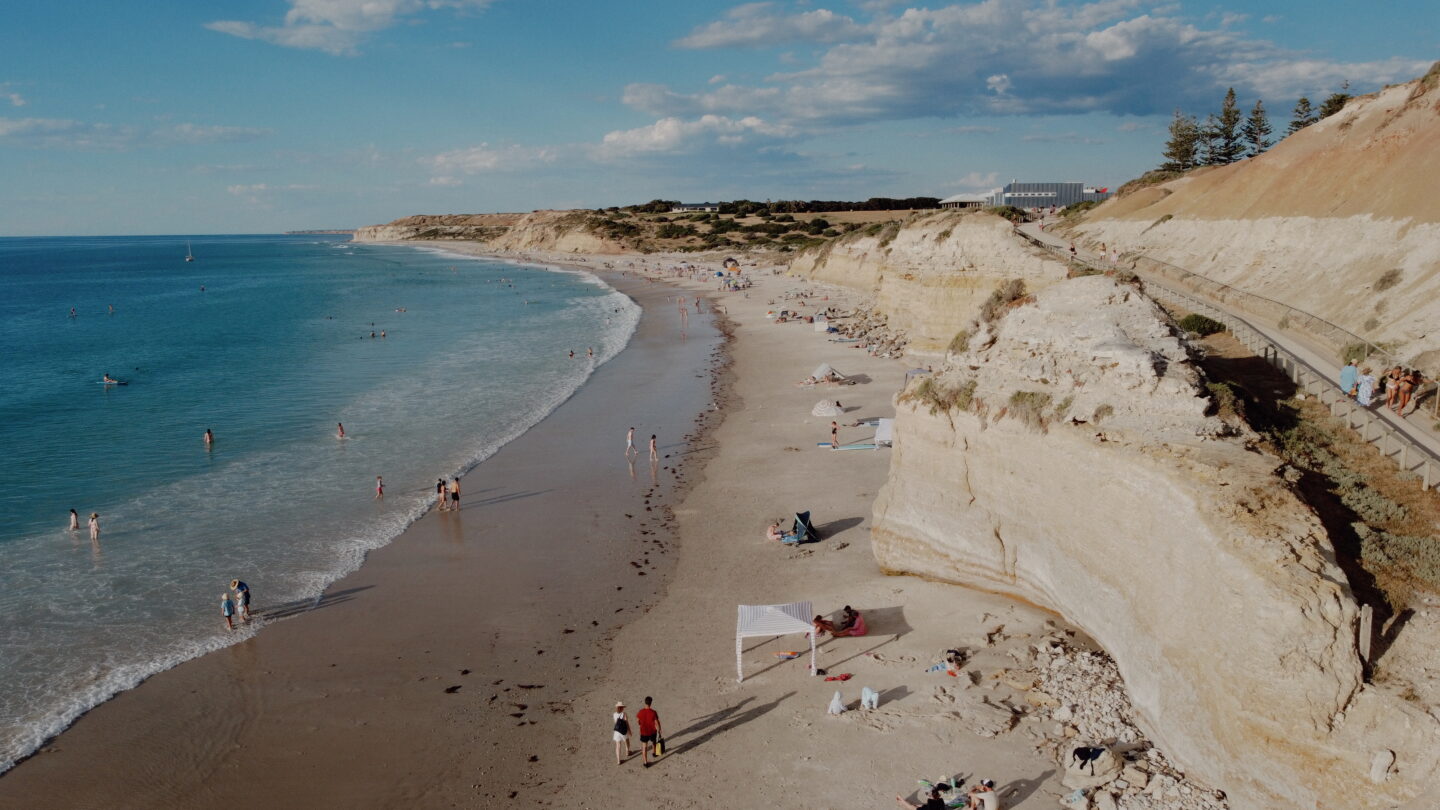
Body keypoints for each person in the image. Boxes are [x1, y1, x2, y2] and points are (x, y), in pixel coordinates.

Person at [636, 696, 662, 765]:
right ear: (651, 703)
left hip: (644, 732)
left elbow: (638, 721)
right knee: (653, 742)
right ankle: (654, 753)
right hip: (652, 731)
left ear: (645, 702)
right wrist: (659, 730)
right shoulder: (653, 712)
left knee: (644, 746)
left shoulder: (640, 712)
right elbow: (656, 722)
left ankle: (645, 762)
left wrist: (640, 724)